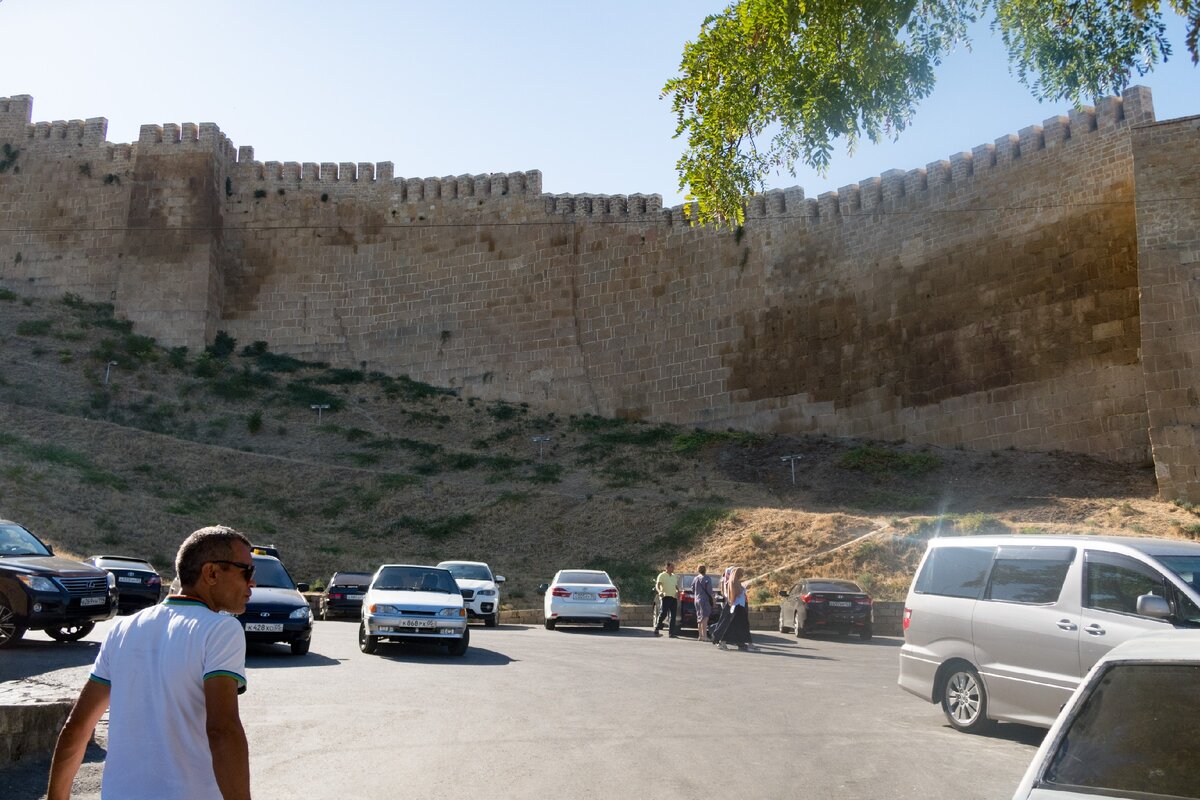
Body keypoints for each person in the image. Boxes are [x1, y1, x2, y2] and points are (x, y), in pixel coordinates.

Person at [48, 525, 256, 800]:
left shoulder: (123, 629)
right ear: (212, 573)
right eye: (247, 572)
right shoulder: (220, 630)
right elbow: (222, 730)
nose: (252, 583)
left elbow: (78, 727)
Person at [717, 566, 754, 651]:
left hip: (740, 606)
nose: (742, 575)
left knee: (741, 626)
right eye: (740, 573)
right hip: (738, 606)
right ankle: (722, 642)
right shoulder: (734, 582)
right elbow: (735, 593)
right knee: (732, 626)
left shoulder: (735, 581)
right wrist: (744, 589)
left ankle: (743, 644)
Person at [653, 561, 680, 637]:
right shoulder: (662, 575)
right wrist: (659, 592)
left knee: (673, 616)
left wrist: (678, 590)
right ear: (667, 568)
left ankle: (671, 633)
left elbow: (676, 586)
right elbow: (657, 585)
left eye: (673, 567)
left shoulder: (674, 576)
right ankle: (657, 628)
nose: (673, 568)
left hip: (673, 598)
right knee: (663, 614)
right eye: (671, 567)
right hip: (665, 597)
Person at [692, 564, 715, 642]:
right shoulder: (707, 578)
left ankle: (700, 635)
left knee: (699, 618)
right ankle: (704, 636)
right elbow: (710, 590)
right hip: (704, 600)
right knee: (705, 617)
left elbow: (692, 588)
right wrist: (713, 600)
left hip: (696, 599)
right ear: (705, 570)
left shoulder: (696, 578)